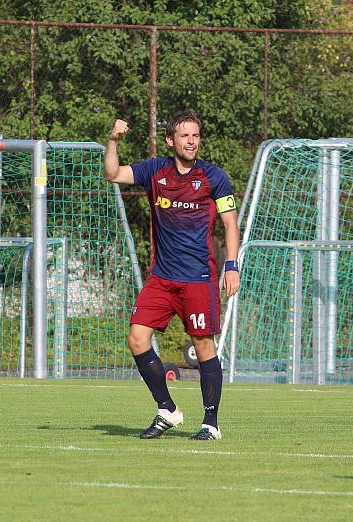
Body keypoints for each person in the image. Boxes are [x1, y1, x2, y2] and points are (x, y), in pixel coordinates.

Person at [103, 109, 240, 441]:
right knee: (137, 339)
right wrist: (112, 140)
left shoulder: (213, 177)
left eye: (195, 136)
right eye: (184, 136)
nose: (191, 141)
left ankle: (211, 423)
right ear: (171, 140)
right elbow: (112, 173)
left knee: (203, 346)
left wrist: (231, 265)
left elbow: (230, 223)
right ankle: (167, 409)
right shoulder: (155, 171)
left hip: (199, 279)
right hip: (162, 278)